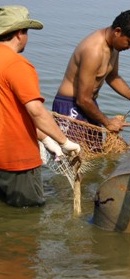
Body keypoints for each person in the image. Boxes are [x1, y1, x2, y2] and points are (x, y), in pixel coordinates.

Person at [0, 5, 81, 208]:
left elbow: (10, 111)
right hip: (17, 160)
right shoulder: (18, 65)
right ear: (20, 34)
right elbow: (36, 111)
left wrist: (45, 139)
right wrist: (63, 142)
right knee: (27, 217)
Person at [52, 8, 130, 132]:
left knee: (95, 150)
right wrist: (108, 122)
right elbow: (83, 99)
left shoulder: (114, 46)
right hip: (71, 106)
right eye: (129, 42)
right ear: (118, 31)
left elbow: (113, 76)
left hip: (89, 105)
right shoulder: (94, 51)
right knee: (74, 150)